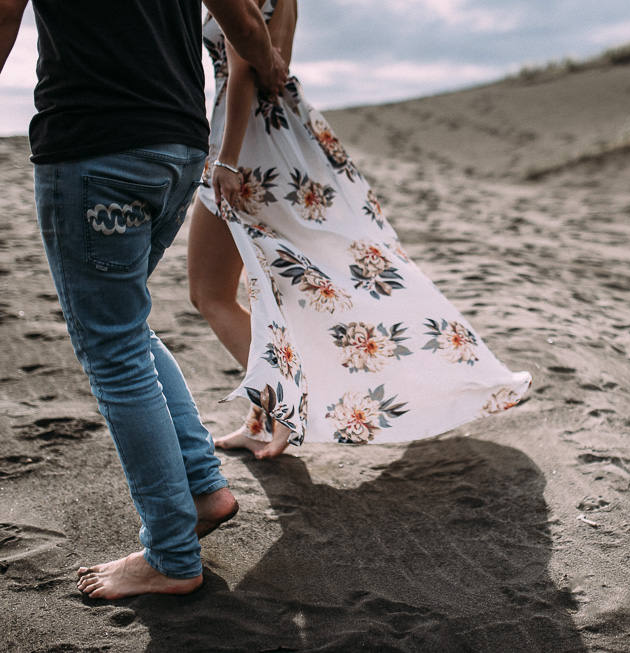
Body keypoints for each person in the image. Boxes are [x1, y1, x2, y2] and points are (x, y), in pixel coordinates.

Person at [0, 0, 287, 600]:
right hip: (177, 149)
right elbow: (239, 15)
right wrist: (270, 62)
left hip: (94, 142)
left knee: (110, 347)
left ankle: (172, 555)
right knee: (125, 331)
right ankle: (205, 491)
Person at [187, 0, 531, 458]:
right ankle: (265, 416)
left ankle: (283, 409)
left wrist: (227, 158)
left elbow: (247, 64)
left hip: (244, 142)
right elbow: (277, 62)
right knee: (286, 285)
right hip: (285, 135)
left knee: (211, 294)